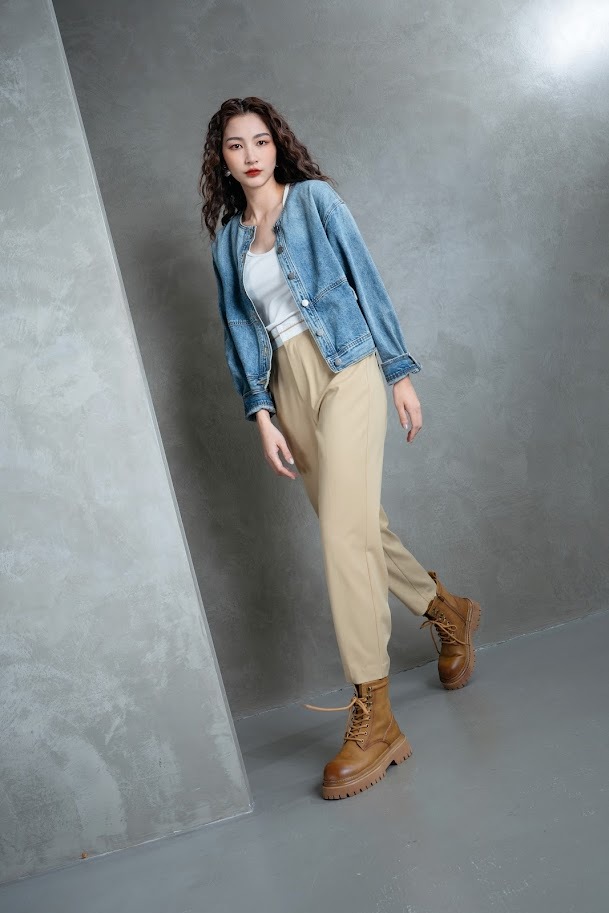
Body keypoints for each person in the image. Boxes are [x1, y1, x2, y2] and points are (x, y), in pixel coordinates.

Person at [199, 96, 481, 800]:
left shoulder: (315, 201)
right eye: (236, 145)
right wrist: (261, 414)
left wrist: (398, 372)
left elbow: (364, 278)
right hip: (286, 388)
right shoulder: (228, 241)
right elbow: (239, 330)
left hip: (347, 367)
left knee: (340, 538)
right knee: (355, 526)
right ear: (223, 160)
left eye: (260, 141)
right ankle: (446, 610)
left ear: (277, 145)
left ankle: (374, 712)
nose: (251, 155)